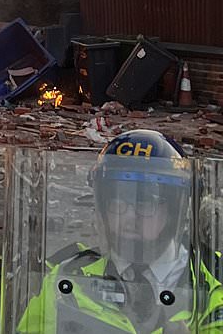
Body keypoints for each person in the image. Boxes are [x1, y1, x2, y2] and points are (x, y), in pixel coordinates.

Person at [15, 130, 223, 333]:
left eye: (146, 203)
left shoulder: (216, 282)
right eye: (118, 202)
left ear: (175, 210)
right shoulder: (68, 276)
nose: (129, 217)